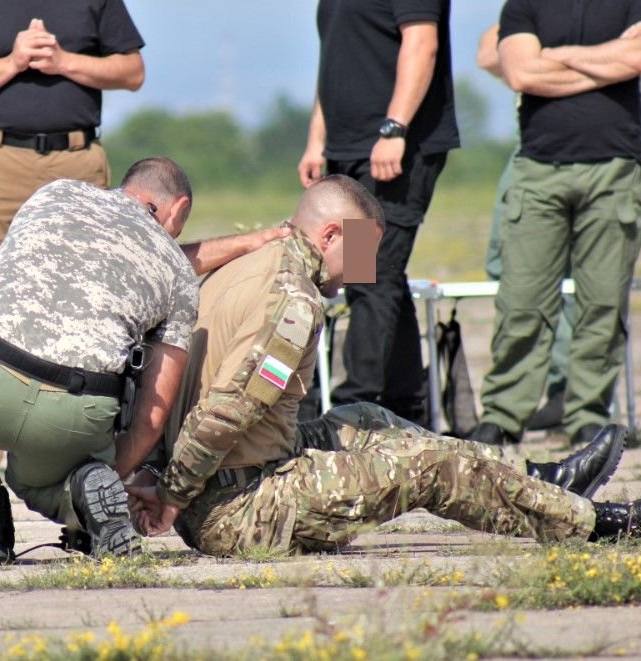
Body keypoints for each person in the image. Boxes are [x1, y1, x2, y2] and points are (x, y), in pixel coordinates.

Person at [124, 176, 637, 555]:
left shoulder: (251, 262)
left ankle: (539, 479)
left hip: (228, 479)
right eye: (361, 251)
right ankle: (591, 523)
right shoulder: (293, 301)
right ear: (329, 236)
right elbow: (225, 412)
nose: (357, 278)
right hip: (237, 512)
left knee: (367, 420)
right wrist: (172, 496)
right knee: (428, 468)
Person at [0, 157, 287, 565]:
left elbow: (117, 253)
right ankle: (81, 493)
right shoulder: (176, 273)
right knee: (36, 484)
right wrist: (108, 469)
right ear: (177, 210)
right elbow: (152, 416)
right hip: (72, 417)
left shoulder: (55, 193)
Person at [472, 2, 641, 448]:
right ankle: (504, 414)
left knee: (602, 302)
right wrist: (603, 61)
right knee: (522, 302)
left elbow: (635, 59)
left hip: (616, 167)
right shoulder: (525, 4)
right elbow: (521, 73)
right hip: (539, 168)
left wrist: (557, 54)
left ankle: (586, 413)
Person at [297, 0, 460, 426]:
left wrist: (395, 128)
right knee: (379, 276)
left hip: (394, 149)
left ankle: (353, 410)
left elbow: (422, 43)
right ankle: (407, 405)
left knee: (368, 275)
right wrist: (318, 140)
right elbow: (331, 63)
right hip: (347, 150)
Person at [0, 0, 145, 302]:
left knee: (86, 285)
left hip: (76, 163)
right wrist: (13, 62)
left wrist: (63, 61)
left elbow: (132, 72)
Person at [476, 22, 576, 435]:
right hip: (344, 164)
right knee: (503, 264)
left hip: (575, 143)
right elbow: (489, 55)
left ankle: (567, 389)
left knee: (373, 278)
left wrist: (537, 58)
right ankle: (359, 390)